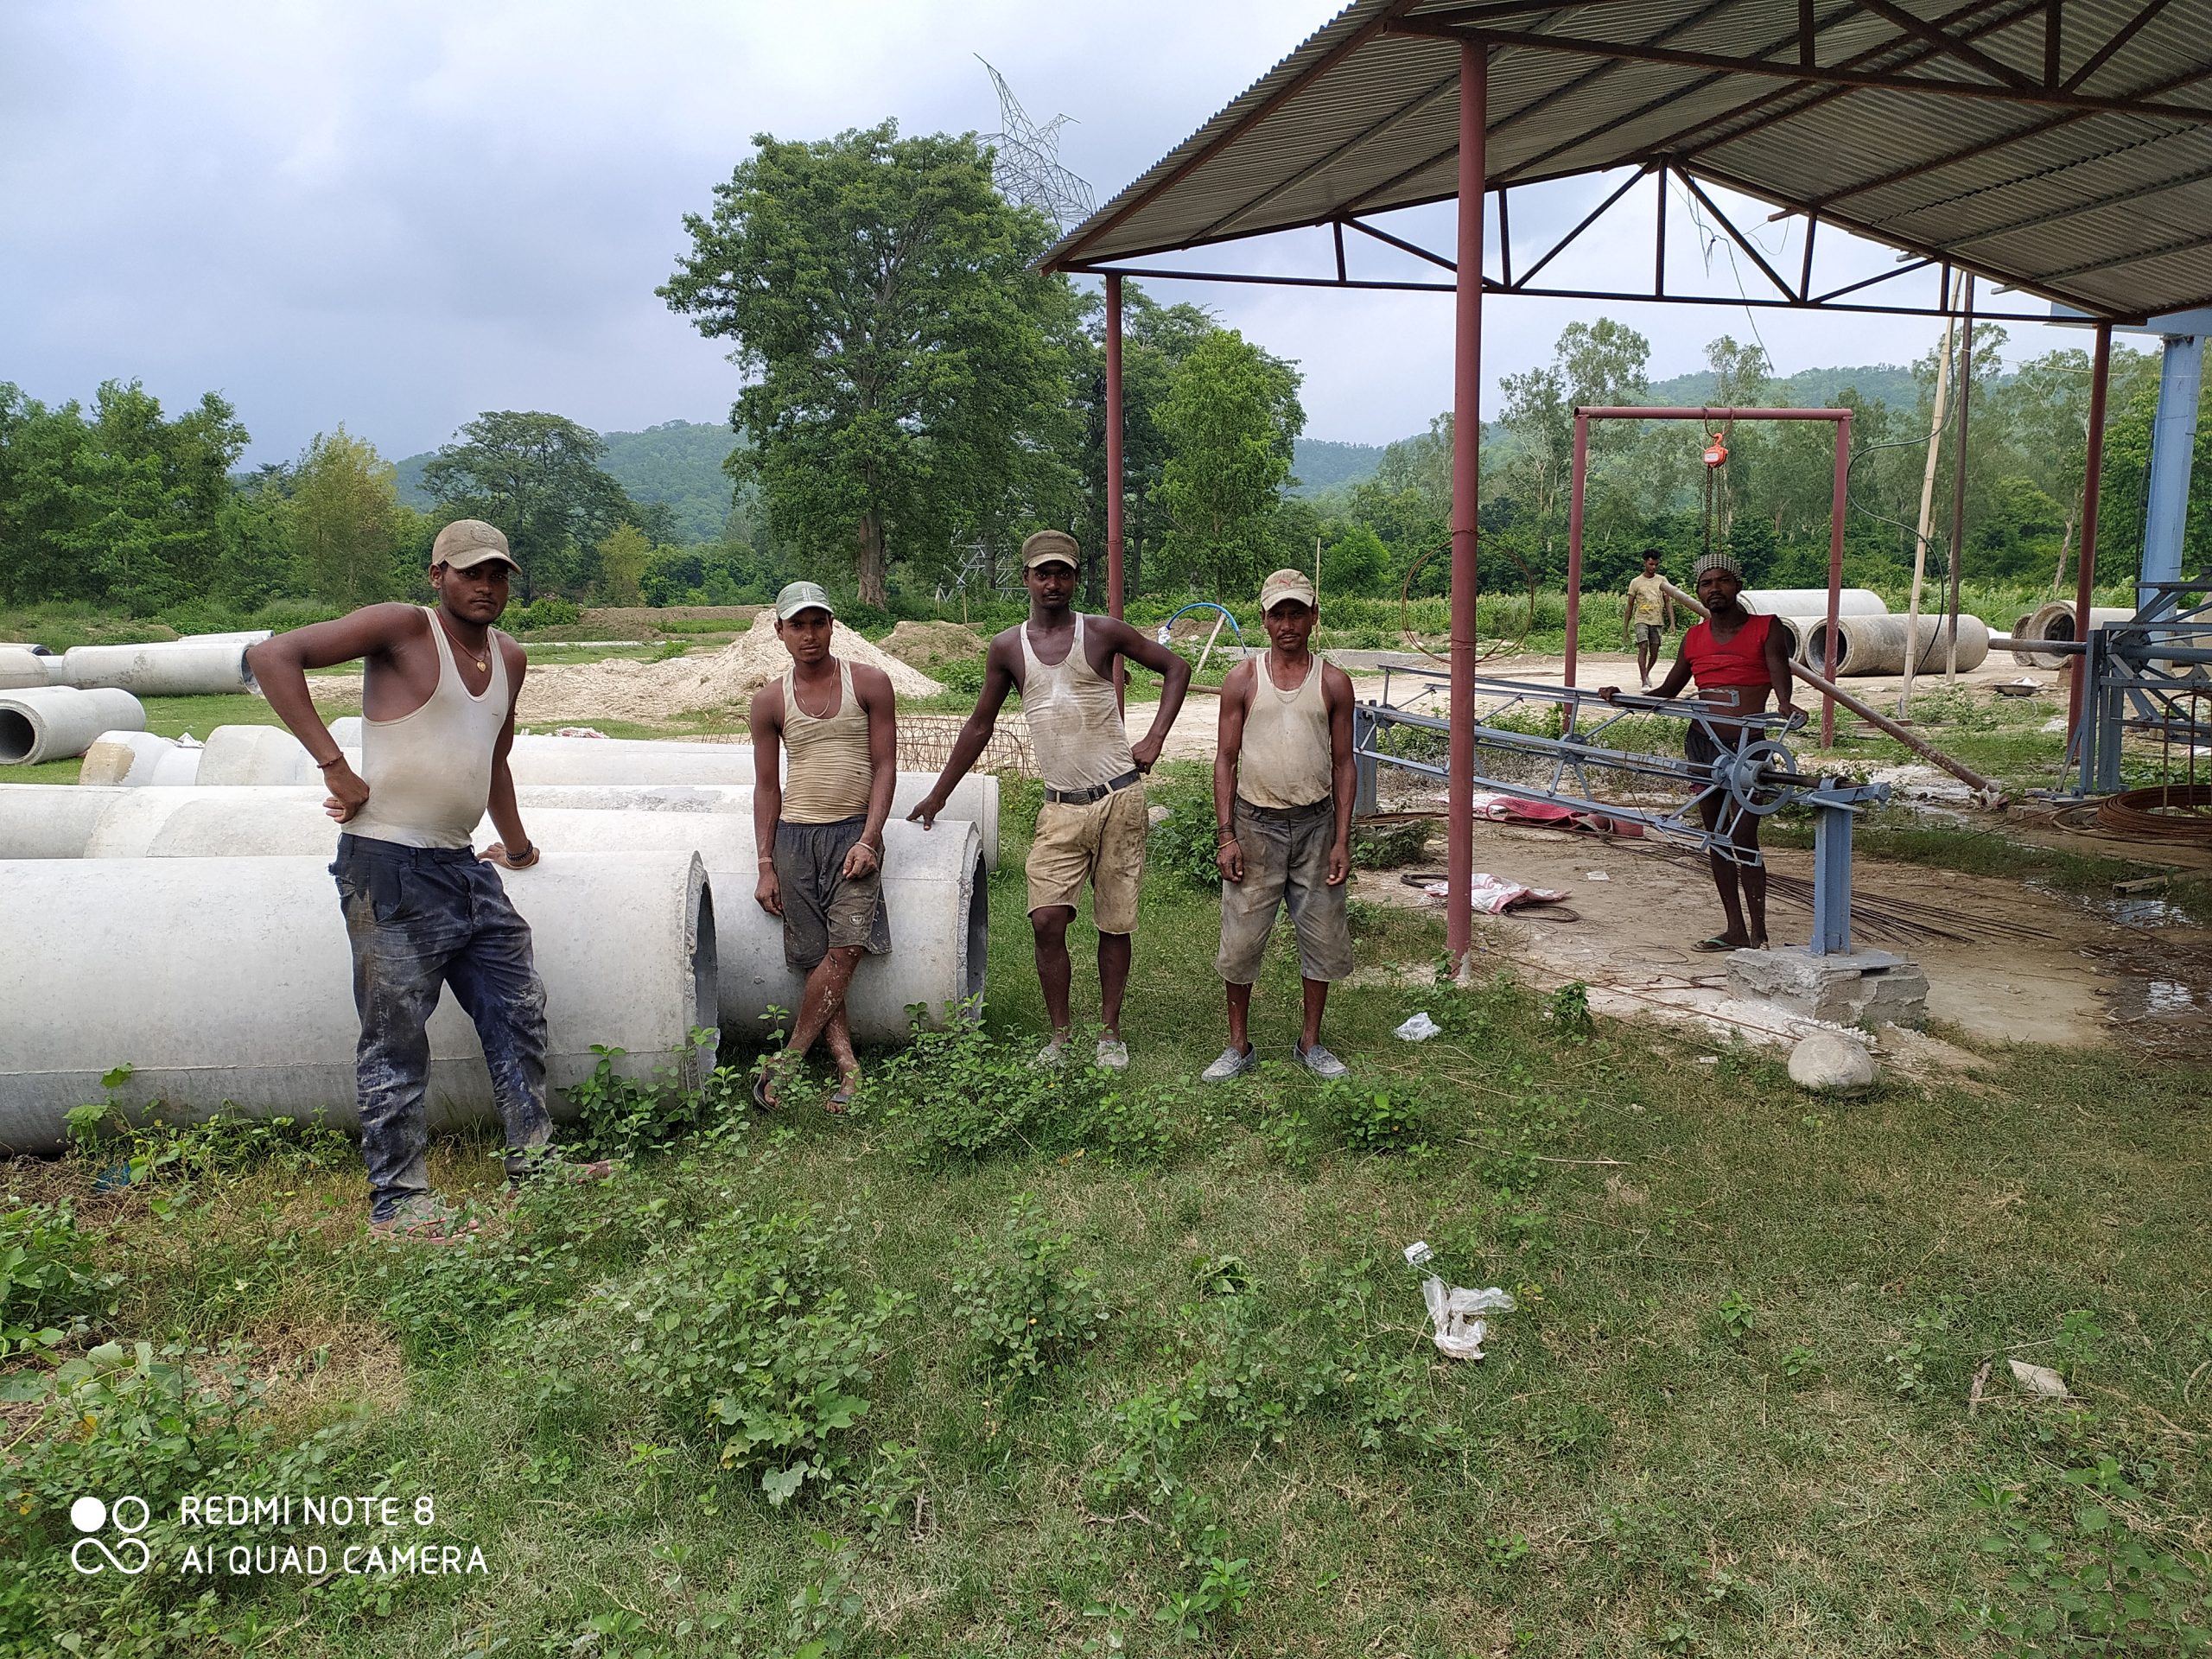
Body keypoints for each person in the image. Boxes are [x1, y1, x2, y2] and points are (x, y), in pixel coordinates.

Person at [248, 519, 603, 1240]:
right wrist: (334, 766)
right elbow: (272, 655)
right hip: (388, 862)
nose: (486, 586)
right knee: (396, 1036)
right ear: (438, 574)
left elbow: (492, 759)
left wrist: (518, 845)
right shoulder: (404, 628)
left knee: (518, 1009)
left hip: (461, 864)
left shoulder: (510, 657)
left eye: (498, 574)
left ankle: (536, 1164)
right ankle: (400, 1203)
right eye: (470, 573)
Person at [908, 529, 1192, 1070]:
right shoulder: (1008, 648)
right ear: (1026, 579)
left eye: (1063, 573)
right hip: (1060, 807)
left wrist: (1155, 738)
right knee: (1046, 919)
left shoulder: (1102, 632)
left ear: (1076, 579)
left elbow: (1176, 668)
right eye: (1043, 573)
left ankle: (1109, 1033)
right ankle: (1060, 1038)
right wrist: (939, 795)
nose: (1053, 583)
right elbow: (979, 725)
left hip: (1120, 799)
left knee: (1114, 921)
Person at [1202, 569, 1357, 1084]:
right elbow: (1225, 759)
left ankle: (1311, 1043)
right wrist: (1226, 835)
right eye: (1278, 615)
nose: (1287, 624)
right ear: (1264, 620)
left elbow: (1344, 763)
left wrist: (1341, 839)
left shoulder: (1333, 682)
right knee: (1241, 940)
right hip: (1255, 825)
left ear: (1313, 617)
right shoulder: (1243, 679)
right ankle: (1238, 1046)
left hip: (1316, 826)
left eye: (1297, 613)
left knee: (1322, 935)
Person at [1602, 550, 1799, 952]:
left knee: (1743, 835)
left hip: (1748, 746)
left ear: (1738, 585)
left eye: (1722, 581)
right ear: (1698, 591)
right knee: (1716, 836)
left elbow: (1780, 672)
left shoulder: (1767, 627)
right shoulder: (1694, 637)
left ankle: (1759, 933)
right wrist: (1622, 697)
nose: (1715, 589)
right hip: (1703, 743)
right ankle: (1735, 929)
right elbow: (1668, 691)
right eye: (1706, 584)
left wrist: (1785, 704)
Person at [748, 580, 897, 1111]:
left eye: (818, 623)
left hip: (852, 833)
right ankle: (847, 1067)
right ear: (779, 631)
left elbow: (885, 766)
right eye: (797, 625)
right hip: (796, 838)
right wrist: (766, 863)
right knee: (816, 957)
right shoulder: (770, 700)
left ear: (833, 626)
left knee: (846, 948)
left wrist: (870, 838)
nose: (809, 635)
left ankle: (787, 1061)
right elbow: (768, 787)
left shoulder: (870, 683)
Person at [1624, 550, 1676, 690]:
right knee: (1643, 646)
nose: (1653, 567)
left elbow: (1667, 602)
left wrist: (1672, 622)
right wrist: (1626, 627)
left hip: (1657, 620)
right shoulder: (1636, 582)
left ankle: (1646, 673)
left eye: (1656, 565)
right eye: (1651, 564)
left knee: (1654, 651)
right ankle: (1644, 681)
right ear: (1645, 563)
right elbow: (1630, 605)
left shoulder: (1662, 581)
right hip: (1641, 619)